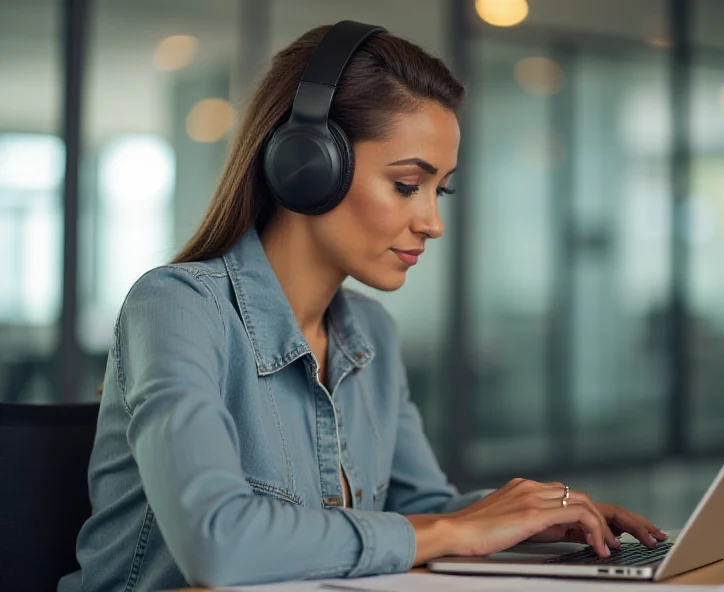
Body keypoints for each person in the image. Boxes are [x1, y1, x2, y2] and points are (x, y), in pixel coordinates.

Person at [59, 22, 667, 592]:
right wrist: (460, 531)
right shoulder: (177, 308)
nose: (432, 222)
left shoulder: (369, 330)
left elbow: (419, 512)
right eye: (407, 185)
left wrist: (527, 519)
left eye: (440, 190)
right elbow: (216, 543)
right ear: (307, 165)